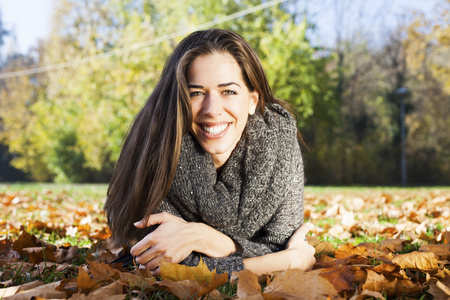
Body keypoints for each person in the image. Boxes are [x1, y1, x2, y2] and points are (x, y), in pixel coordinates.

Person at [104, 28, 316, 276]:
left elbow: (282, 240)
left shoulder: (278, 138)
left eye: (229, 91)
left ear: (252, 101)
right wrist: (289, 261)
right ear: (178, 101)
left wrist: (209, 239)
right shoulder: (157, 147)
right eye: (196, 93)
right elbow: (167, 268)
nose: (212, 109)